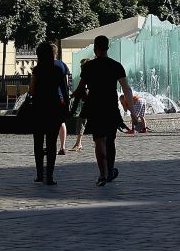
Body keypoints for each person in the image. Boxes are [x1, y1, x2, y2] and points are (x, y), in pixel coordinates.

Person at [73, 36, 138, 187]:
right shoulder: (116, 66)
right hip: (110, 107)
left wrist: (71, 97)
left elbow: (80, 88)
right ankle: (109, 171)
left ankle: (102, 174)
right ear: (108, 47)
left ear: (95, 48)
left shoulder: (89, 67)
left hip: (94, 106)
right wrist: (133, 114)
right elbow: (126, 89)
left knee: (99, 140)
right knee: (110, 140)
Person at [29, 42, 69, 185]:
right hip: (54, 108)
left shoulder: (37, 70)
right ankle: (50, 176)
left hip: (39, 108)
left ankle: (40, 174)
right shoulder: (59, 69)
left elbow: (32, 91)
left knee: (38, 143)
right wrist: (67, 108)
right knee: (51, 143)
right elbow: (64, 90)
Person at [51, 44, 70, 156]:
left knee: (48, 122)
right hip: (60, 97)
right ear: (56, 53)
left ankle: (50, 146)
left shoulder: (44, 65)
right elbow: (66, 83)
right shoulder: (62, 65)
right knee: (61, 122)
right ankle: (62, 146)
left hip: (47, 98)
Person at [69, 58, 91, 152]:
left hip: (92, 101)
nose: (81, 68)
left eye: (82, 66)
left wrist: (71, 96)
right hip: (94, 101)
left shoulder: (86, 73)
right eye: (80, 66)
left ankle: (78, 143)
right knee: (82, 120)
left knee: (81, 120)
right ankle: (78, 143)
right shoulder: (91, 72)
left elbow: (80, 88)